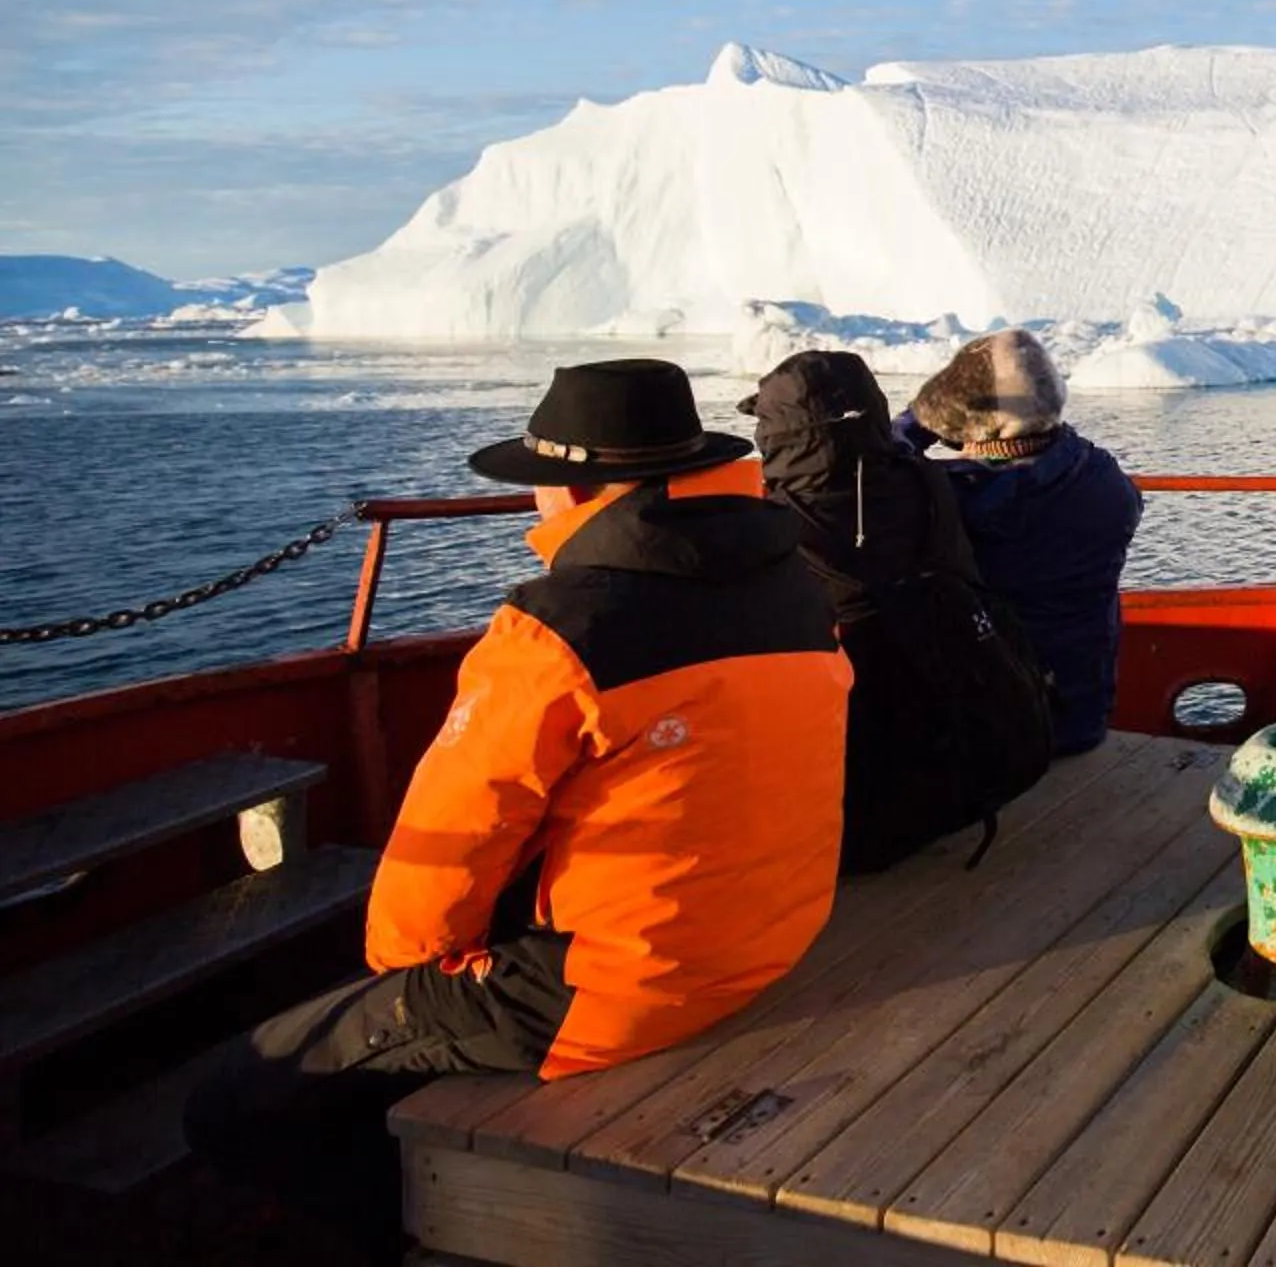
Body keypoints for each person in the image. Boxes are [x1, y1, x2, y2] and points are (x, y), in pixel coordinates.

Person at [185, 359, 850, 1257]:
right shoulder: (797, 589)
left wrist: (412, 980)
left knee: (238, 1096)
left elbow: (445, 855)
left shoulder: (554, 631)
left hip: (612, 994)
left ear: (575, 489)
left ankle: (434, 1231)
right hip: (768, 938)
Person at [742, 349, 1052, 872]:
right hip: (964, 764)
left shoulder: (766, 528)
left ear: (777, 435)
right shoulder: (924, 484)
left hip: (862, 815)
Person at [903, 330, 1144, 756]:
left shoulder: (957, 497)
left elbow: (877, 474)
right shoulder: (1103, 475)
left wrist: (917, 423)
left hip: (997, 733)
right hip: (1082, 717)